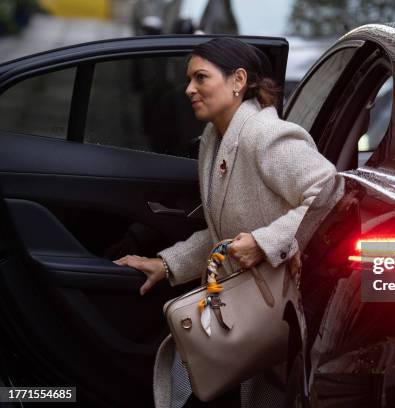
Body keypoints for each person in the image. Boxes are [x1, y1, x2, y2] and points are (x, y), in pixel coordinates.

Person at [113, 38, 336, 408]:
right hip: (235, 319)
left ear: (238, 80)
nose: (189, 89)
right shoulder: (215, 139)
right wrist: (167, 264)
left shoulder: (267, 136)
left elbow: (331, 196)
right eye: (189, 79)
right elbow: (225, 233)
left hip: (272, 316)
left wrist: (264, 242)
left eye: (200, 77)